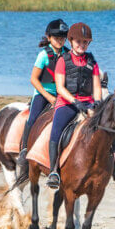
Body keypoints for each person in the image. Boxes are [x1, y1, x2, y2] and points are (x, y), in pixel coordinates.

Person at [46, 22, 103, 189]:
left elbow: (97, 85)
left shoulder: (92, 61)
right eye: (78, 41)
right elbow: (60, 88)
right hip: (67, 103)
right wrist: (75, 101)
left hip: (88, 103)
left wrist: (97, 103)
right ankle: (53, 171)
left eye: (85, 42)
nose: (82, 45)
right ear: (70, 41)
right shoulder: (63, 60)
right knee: (56, 130)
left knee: (107, 128)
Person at [16, 19, 69, 178]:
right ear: (49, 37)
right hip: (43, 93)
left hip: (61, 93)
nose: (60, 40)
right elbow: (34, 79)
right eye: (56, 37)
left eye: (62, 37)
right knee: (32, 118)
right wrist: (47, 96)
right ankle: (24, 149)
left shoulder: (67, 55)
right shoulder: (43, 55)